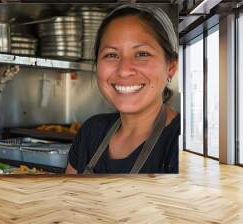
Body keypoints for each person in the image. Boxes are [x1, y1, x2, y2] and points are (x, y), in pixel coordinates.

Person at [65, 5, 179, 174]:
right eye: (111, 55)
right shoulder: (91, 132)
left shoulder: (179, 144)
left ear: (170, 66)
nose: (124, 70)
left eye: (142, 54)